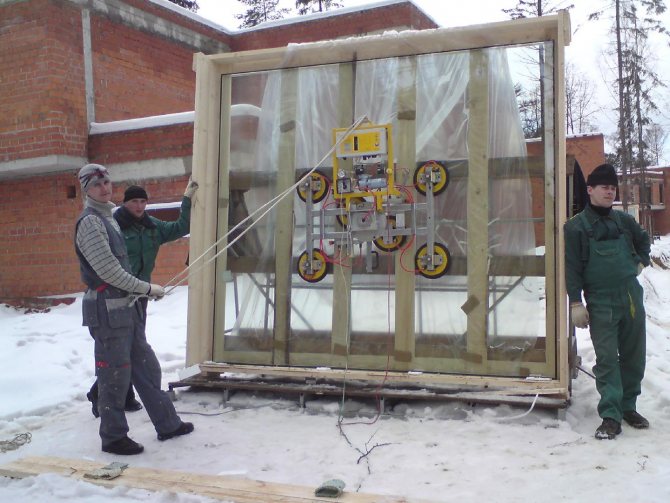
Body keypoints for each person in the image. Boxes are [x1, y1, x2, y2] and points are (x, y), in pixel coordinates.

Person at [75, 163, 193, 455]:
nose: (104, 188)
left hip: (127, 308)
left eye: (106, 182)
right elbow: (108, 271)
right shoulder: (91, 222)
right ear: (86, 189)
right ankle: (113, 437)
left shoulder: (109, 218)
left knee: (146, 366)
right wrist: (146, 288)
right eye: (96, 184)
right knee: (114, 375)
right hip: (107, 310)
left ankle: (167, 423)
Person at [564, 163, 651, 440]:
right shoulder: (576, 227)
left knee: (633, 356)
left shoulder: (624, 221)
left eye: (613, 187)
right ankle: (610, 416)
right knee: (607, 359)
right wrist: (576, 303)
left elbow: (643, 241)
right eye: (604, 187)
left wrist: (640, 261)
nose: (609, 191)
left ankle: (628, 407)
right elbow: (573, 268)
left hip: (630, 296)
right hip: (601, 300)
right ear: (590, 190)